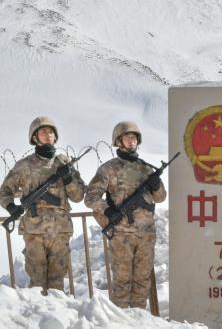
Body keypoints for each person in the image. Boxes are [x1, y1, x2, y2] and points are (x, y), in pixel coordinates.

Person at [0, 116, 86, 294]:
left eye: (51, 132)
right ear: (34, 137)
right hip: (34, 233)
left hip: (60, 232)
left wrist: (68, 178)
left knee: (57, 284)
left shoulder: (64, 163)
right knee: (37, 285)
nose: (48, 135)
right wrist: (11, 207)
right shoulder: (24, 166)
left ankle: (58, 312)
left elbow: (78, 196)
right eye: (43, 132)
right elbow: (4, 192)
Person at [84, 120, 166, 309]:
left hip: (146, 234)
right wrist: (107, 210)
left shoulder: (146, 168)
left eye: (134, 137)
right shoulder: (108, 169)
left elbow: (161, 197)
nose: (132, 140)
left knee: (142, 282)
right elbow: (90, 197)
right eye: (127, 137)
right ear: (118, 141)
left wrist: (156, 187)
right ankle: (120, 320)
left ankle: (139, 319)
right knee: (121, 282)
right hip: (122, 235)